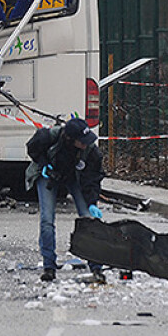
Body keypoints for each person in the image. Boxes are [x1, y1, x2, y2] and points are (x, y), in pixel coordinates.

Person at [25, 117, 105, 283]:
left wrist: (92, 202)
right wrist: (44, 164)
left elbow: (92, 177)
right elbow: (32, 148)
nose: (85, 144)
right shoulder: (48, 136)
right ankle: (49, 266)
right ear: (69, 138)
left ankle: (96, 267)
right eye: (81, 141)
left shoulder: (91, 151)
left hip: (75, 177)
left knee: (89, 219)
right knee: (47, 219)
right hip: (49, 174)